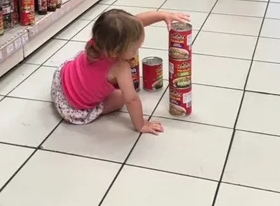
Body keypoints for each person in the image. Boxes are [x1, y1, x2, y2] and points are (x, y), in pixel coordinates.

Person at [51, 8, 190, 135]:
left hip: (60, 84)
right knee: (119, 98)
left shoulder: (102, 39)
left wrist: (162, 15)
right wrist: (141, 125)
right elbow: (131, 100)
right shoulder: (120, 67)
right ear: (117, 51)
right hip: (73, 109)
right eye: (135, 48)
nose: (137, 51)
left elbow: (135, 23)